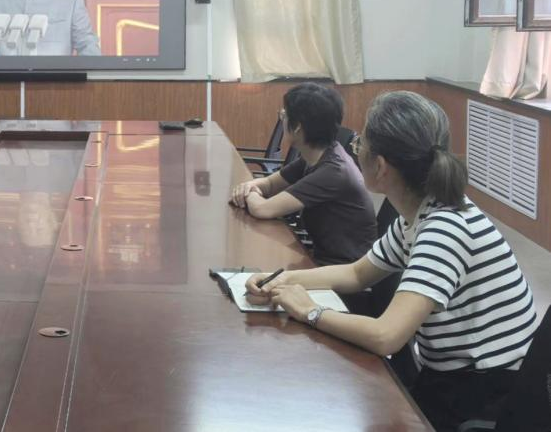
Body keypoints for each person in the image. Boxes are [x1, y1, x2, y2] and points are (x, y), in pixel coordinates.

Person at [244, 92, 537, 431]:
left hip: (486, 392)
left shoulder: (445, 229)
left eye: (359, 144)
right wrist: (279, 280)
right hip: (453, 377)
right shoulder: (421, 212)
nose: (355, 150)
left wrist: (310, 311)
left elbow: (386, 336)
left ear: (380, 166)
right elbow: (358, 273)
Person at [229, 83, 377, 265]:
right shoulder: (316, 155)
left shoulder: (332, 172)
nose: (282, 119)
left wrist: (248, 192)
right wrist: (253, 186)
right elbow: (269, 184)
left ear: (298, 127)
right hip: (323, 258)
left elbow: (263, 209)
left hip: (342, 269)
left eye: (284, 115)